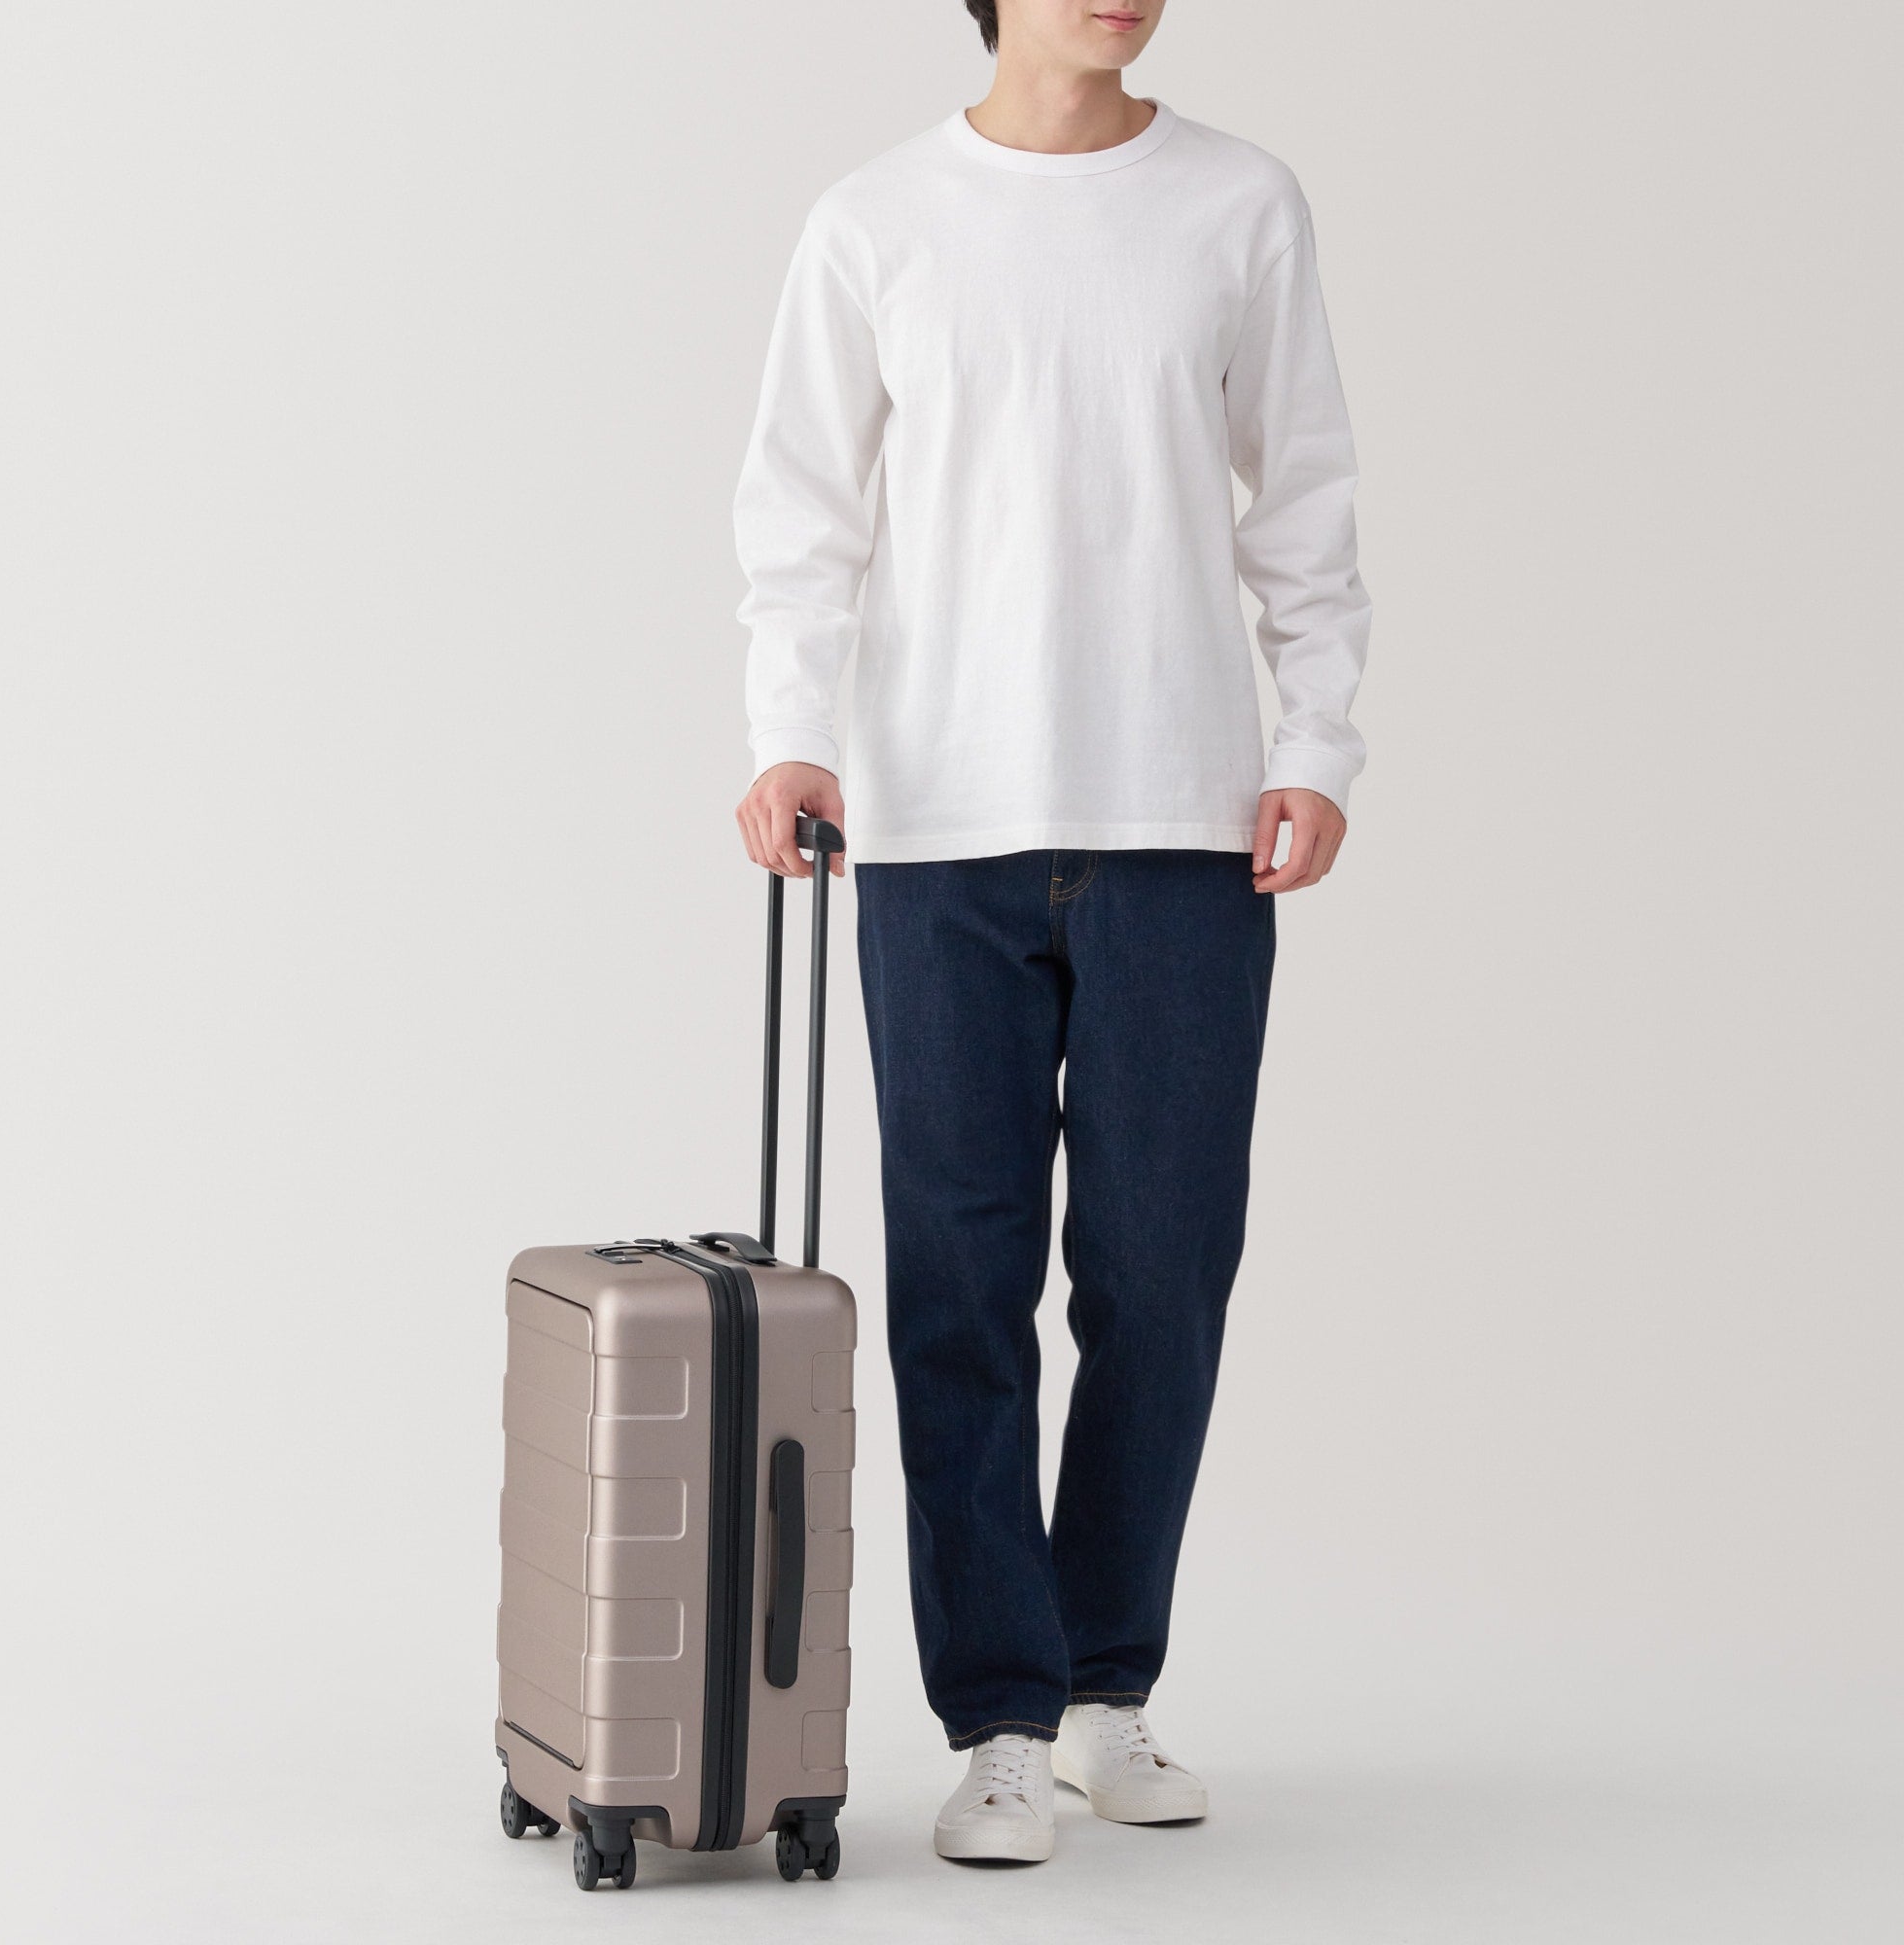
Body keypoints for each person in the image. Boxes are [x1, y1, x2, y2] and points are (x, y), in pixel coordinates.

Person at [732, 0, 1368, 1865]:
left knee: (1163, 1276)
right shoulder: (876, 221)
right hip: (939, 828)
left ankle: (1105, 1689)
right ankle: (1000, 1719)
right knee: (960, 1282)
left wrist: (1316, 744)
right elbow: (801, 510)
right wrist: (790, 734)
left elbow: (1305, 495)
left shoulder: (1240, 204)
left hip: (1185, 820)